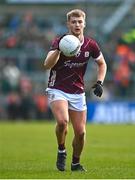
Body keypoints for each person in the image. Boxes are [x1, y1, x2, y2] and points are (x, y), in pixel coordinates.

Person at [44, 9, 107, 172]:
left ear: (84, 24)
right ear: (68, 24)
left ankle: (75, 163)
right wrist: (59, 49)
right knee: (63, 121)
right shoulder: (60, 41)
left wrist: (100, 82)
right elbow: (47, 64)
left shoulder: (90, 45)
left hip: (77, 92)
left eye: (79, 22)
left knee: (81, 133)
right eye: (73, 22)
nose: (77, 24)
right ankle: (61, 149)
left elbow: (102, 64)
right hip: (57, 88)